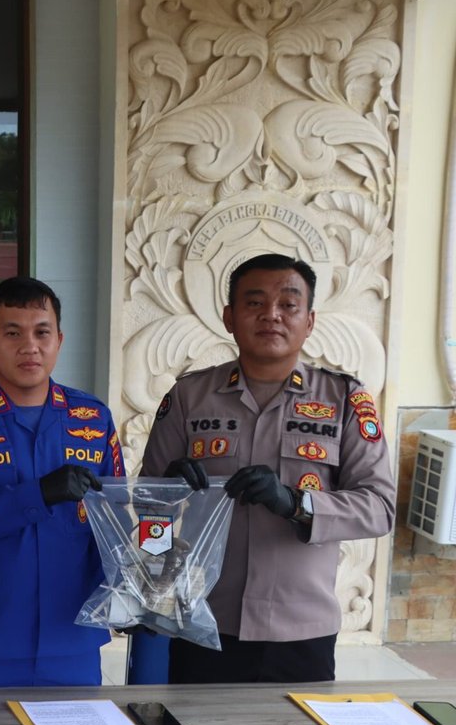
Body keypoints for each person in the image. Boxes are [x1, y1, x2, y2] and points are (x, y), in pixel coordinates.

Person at [142, 254, 394, 683]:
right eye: (255, 303)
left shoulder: (344, 400)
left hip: (300, 629)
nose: (271, 315)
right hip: (203, 618)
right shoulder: (188, 396)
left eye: (288, 304)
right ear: (229, 317)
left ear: (309, 321)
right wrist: (168, 496)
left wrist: (298, 504)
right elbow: (149, 505)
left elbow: (379, 507)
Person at [0, 277, 124, 687]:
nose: (30, 346)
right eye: (12, 333)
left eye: (42, 332)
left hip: (74, 637)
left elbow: (116, 521)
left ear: (59, 340)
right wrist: (39, 494)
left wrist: (130, 593)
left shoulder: (93, 418)